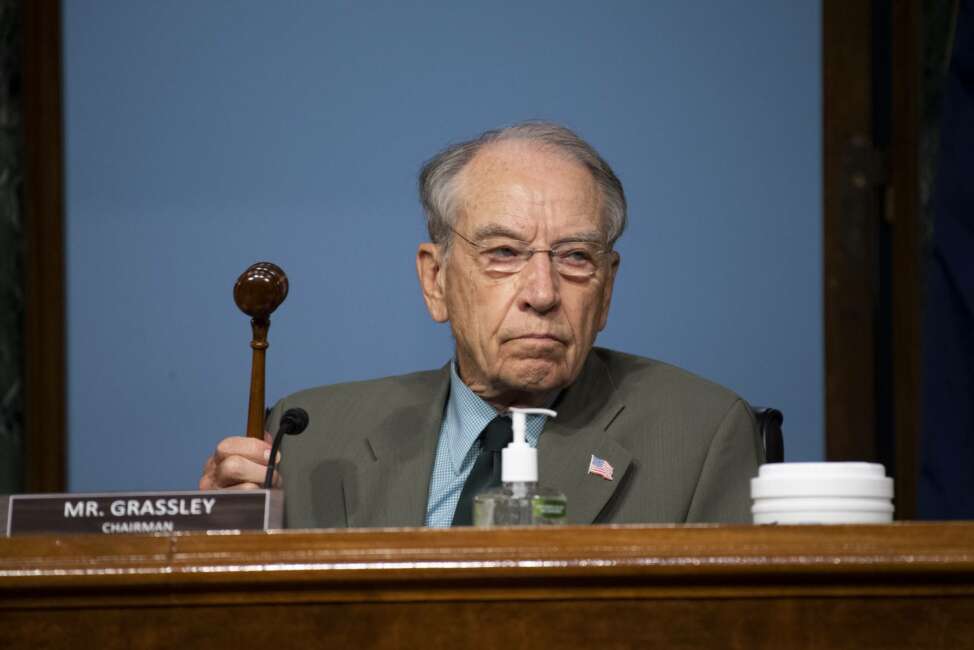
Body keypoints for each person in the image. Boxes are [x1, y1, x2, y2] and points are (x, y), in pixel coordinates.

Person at [199, 122, 763, 527]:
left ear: (607, 287)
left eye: (575, 257)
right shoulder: (314, 436)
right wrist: (216, 542)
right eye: (503, 252)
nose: (542, 294)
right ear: (435, 279)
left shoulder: (699, 436)